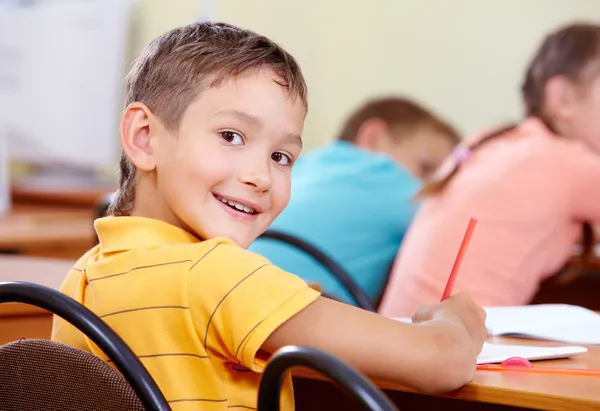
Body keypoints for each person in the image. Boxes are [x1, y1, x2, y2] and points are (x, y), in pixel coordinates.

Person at [51, 21, 486, 411]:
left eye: (281, 156)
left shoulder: (85, 275)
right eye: (231, 136)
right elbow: (442, 362)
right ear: (145, 138)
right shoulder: (217, 274)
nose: (261, 176)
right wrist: (450, 322)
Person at [379, 22, 600, 318]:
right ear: (563, 99)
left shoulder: (491, 140)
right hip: (454, 347)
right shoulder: (565, 162)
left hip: (398, 335)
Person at [249, 97, 459, 305]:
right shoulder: (386, 176)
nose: (428, 186)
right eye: (425, 168)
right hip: (292, 321)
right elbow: (456, 221)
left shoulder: (301, 169)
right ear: (373, 136)